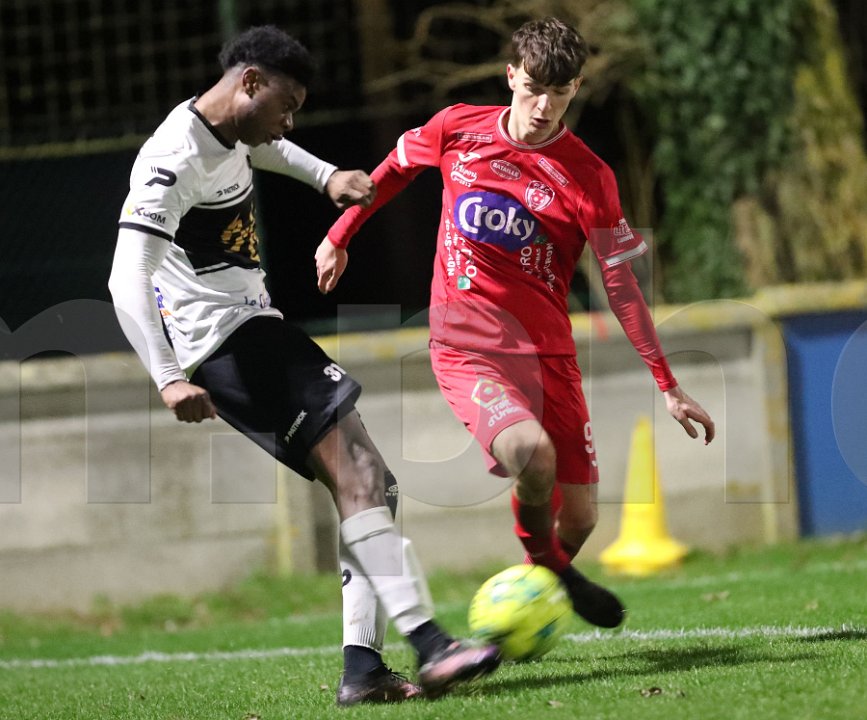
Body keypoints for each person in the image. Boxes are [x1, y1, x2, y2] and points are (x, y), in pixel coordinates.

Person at [108, 25, 500, 706]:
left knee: (371, 486)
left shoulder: (229, 129)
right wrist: (167, 376)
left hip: (248, 329)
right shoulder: (171, 160)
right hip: (228, 342)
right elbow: (124, 278)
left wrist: (326, 176)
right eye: (285, 105)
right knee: (362, 472)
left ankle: (364, 670)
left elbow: (267, 146)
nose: (288, 122)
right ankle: (432, 644)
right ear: (249, 83)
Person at [316, 16, 716, 629]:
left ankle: (518, 613)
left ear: (576, 88)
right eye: (533, 88)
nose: (543, 107)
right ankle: (552, 573)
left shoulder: (590, 177)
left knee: (580, 517)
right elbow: (394, 170)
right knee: (530, 451)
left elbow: (621, 285)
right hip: (466, 347)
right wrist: (339, 235)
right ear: (510, 76)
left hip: (549, 356)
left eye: (559, 93)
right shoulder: (458, 128)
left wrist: (668, 383)